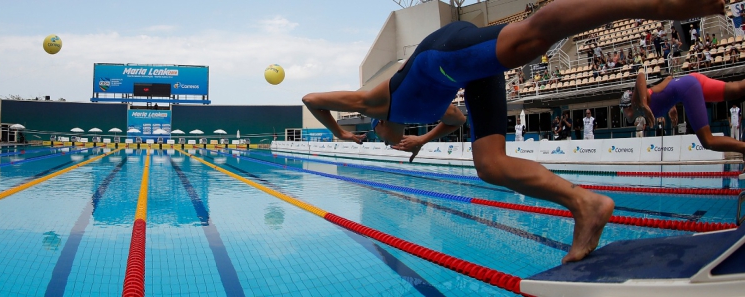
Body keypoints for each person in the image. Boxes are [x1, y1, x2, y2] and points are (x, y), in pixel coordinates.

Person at [302, 0, 724, 264]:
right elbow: (456, 121)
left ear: (380, 124)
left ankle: (657, 4)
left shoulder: (375, 102)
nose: (392, 142)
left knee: (530, 38)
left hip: (443, 53)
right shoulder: (430, 115)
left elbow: (311, 99)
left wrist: (339, 133)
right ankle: (587, 204)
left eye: (386, 139)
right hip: (467, 75)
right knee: (490, 166)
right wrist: (425, 140)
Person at [624, 71, 745, 158]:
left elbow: (640, 75)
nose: (623, 115)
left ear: (626, 106)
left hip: (688, 88)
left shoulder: (637, 104)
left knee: (708, 141)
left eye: (621, 111)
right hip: (691, 80)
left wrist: (644, 105)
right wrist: (672, 105)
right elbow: (669, 79)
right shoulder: (641, 103)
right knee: (737, 89)